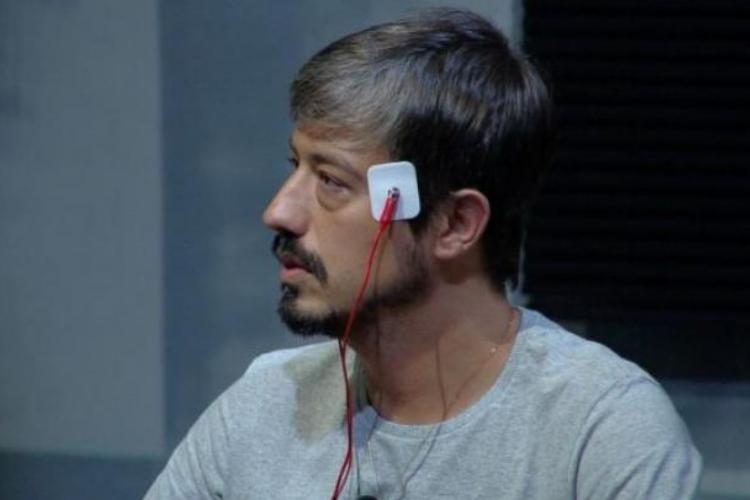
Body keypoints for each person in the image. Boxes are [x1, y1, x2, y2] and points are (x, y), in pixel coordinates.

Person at [146, 8, 702, 499]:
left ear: (455, 225)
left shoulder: (600, 430)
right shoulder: (266, 403)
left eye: (331, 181)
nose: (279, 212)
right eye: (296, 167)